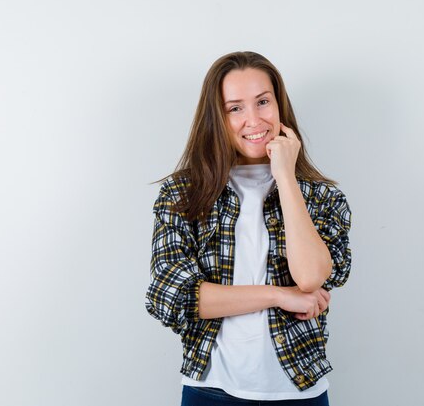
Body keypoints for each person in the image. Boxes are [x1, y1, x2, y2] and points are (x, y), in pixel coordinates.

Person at [145, 51, 352, 406]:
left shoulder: (321, 196)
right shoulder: (183, 194)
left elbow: (311, 278)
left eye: (263, 102)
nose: (254, 119)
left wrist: (285, 176)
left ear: (279, 105)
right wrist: (277, 295)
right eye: (235, 108)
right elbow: (174, 296)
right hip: (210, 390)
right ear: (217, 118)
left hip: (299, 390)